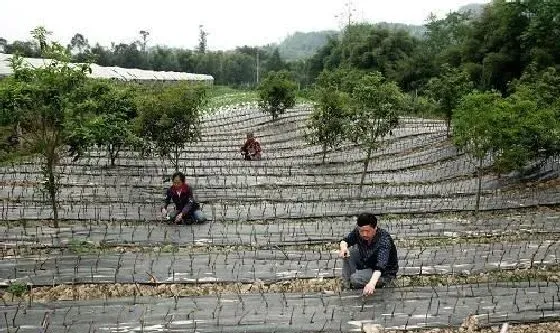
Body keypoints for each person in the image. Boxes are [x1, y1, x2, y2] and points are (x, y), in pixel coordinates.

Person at [339, 213, 398, 295]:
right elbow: (346, 240)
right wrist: (343, 248)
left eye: (367, 231)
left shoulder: (384, 240)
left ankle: (384, 282)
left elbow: (381, 266)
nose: (364, 234)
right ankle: (346, 284)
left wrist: (372, 284)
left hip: (383, 273)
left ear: (375, 228)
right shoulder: (357, 232)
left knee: (355, 279)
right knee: (350, 252)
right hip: (367, 261)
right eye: (361, 231)